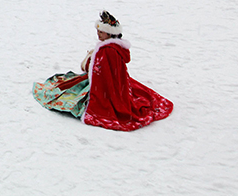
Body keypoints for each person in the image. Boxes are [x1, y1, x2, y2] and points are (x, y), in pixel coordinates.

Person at [31, 11, 173, 131]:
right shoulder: (115, 48)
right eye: (98, 32)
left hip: (105, 87)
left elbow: (99, 71)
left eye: (101, 32)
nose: (98, 35)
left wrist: (90, 63)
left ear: (109, 34)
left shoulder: (107, 51)